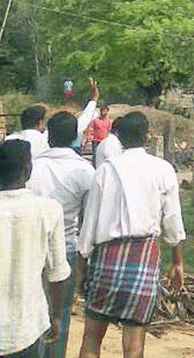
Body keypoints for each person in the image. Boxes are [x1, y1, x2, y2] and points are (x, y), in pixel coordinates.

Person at [76, 111, 186, 358]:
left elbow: (89, 221)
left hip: (106, 261)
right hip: (142, 261)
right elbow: (173, 221)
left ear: (119, 138)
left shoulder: (105, 170)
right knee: (134, 346)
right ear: (147, 137)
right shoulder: (163, 169)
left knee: (91, 339)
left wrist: (82, 266)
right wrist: (177, 262)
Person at [27, 113, 95, 358]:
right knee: (60, 313)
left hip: (31, 248)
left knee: (31, 311)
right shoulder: (85, 171)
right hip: (66, 249)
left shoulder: (32, 166)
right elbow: (89, 220)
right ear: (75, 136)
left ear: (48, 135)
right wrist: (85, 259)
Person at [0, 139, 71, 358]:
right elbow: (58, 274)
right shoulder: (48, 210)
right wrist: (56, 315)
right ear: (28, 170)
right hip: (26, 328)